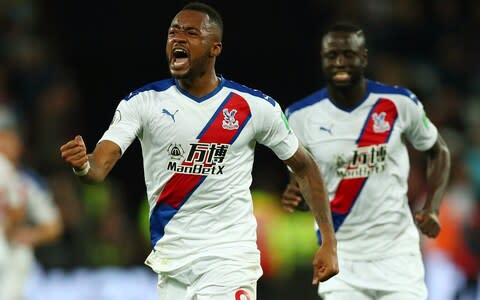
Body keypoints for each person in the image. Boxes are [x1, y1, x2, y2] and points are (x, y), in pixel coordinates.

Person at [59, 2, 338, 299]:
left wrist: (328, 241)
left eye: (191, 32)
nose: (178, 39)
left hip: (229, 262)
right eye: (173, 32)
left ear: (214, 48)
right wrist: (82, 166)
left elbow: (305, 166)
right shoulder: (142, 104)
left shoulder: (253, 107)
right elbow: (98, 167)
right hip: (172, 265)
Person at [282, 22, 451, 300]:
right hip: (341, 254)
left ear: (364, 57)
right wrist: (298, 201)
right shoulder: (300, 116)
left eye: (348, 54)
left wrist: (432, 207)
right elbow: (300, 185)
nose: (339, 62)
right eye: (331, 56)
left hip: (397, 254)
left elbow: (439, 150)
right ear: (322, 60)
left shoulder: (398, 103)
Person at [0, 104, 63, 300]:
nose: (8, 142)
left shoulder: (28, 182)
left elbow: (54, 226)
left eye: (11, 136)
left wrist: (28, 235)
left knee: (21, 256)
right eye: (4, 136)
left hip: (11, 263)